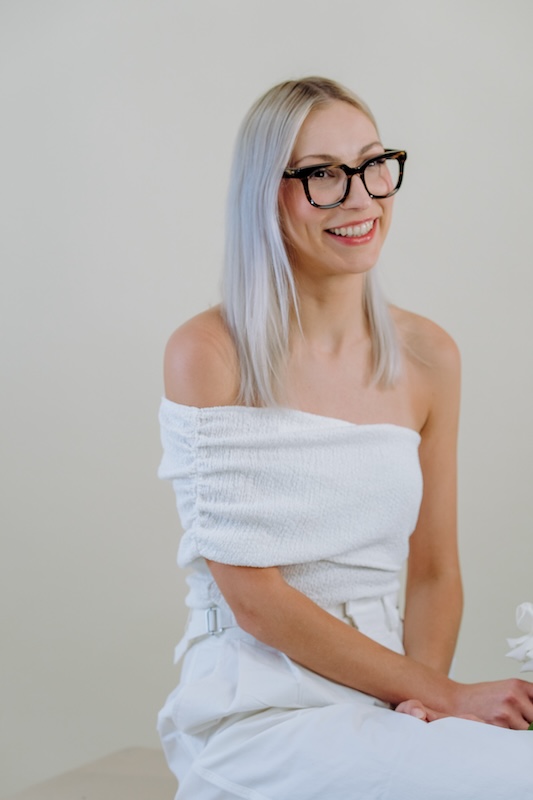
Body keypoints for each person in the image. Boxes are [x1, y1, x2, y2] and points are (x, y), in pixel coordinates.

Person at [157, 77, 533, 799]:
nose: (360, 196)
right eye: (323, 174)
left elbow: (432, 572)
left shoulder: (429, 355)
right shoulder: (209, 352)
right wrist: (444, 697)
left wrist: (420, 706)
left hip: (386, 695)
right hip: (257, 707)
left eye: (371, 164)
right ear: (268, 194)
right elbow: (255, 600)